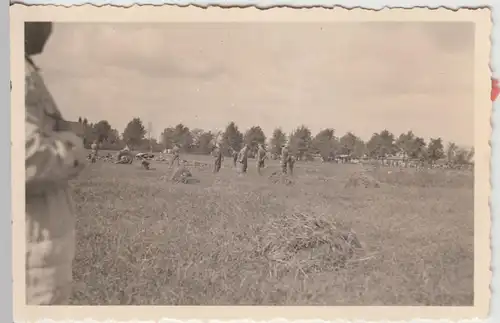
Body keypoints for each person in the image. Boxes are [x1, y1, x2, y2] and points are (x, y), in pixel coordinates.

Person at [25, 22, 87, 305]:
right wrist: (73, 149)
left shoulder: (24, 69)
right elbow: (25, 157)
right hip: (30, 253)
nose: (48, 25)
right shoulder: (17, 73)